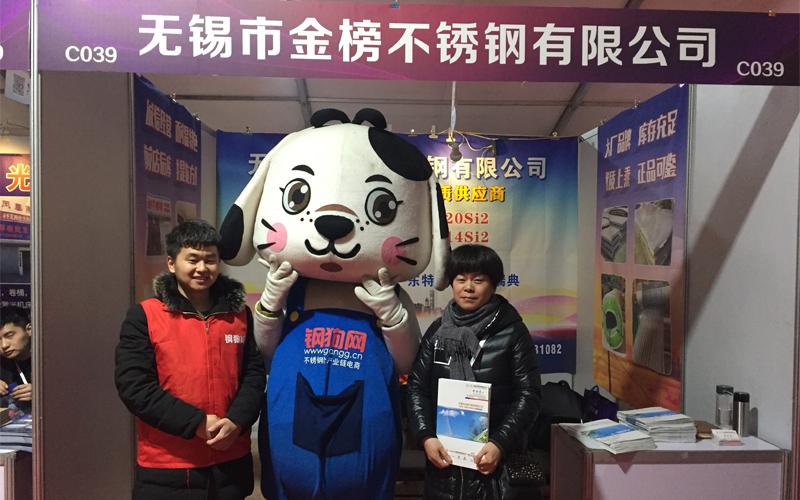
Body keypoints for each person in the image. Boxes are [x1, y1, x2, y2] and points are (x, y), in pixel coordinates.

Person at [115, 220, 266, 500]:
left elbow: (254, 375)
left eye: (210, 259)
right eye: (193, 259)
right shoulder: (145, 316)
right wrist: (195, 423)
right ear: (172, 263)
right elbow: (134, 386)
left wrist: (236, 420)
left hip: (229, 459)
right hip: (168, 464)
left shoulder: (239, 316)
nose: (202, 268)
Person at [407, 244, 542, 500]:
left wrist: (499, 443)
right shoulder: (437, 331)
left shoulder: (512, 332)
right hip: (444, 465)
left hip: (494, 468)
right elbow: (417, 388)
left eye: (478, 280)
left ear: (493, 285)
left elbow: (530, 395)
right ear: (451, 283)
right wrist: (426, 437)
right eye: (461, 279)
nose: (468, 288)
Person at [0, 306, 33, 414]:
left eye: (9, 335)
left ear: (29, 330)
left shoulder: (52, 359)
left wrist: (43, 394)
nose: (4, 345)